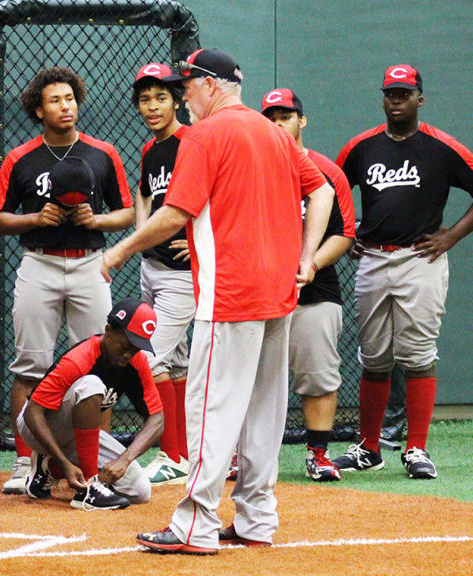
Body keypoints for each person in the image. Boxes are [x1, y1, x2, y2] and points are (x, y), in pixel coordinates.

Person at [101, 49, 334, 553]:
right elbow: (323, 192)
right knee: (264, 414)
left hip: (229, 294)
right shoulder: (273, 131)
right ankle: (256, 519)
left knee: (212, 409)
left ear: (212, 85)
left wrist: (120, 248)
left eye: (187, 84)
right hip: (278, 294)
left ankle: (194, 524)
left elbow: (174, 213)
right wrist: (307, 259)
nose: (183, 93)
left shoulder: (205, 134)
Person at [332, 65, 473, 479]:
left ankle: (416, 450)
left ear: (419, 100)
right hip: (372, 258)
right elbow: (331, 188)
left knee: (418, 357)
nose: (396, 100)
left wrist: (452, 237)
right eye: (390, 93)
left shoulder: (439, 146)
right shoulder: (363, 146)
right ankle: (369, 447)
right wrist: (344, 232)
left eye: (404, 94)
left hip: (419, 259)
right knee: (374, 357)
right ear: (382, 97)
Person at [0, 66, 133, 494]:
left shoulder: (102, 153)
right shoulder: (19, 158)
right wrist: (34, 218)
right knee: (30, 366)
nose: (64, 106)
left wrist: (99, 219)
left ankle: (94, 464)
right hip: (39, 264)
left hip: (90, 264)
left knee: (102, 367)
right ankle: (24, 463)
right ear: (39, 109)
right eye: (54, 100)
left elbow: (128, 211)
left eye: (69, 98)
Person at [261, 88, 356, 482]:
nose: (279, 123)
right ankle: (243, 456)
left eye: (286, 116)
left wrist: (311, 262)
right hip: (261, 293)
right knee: (253, 380)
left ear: (302, 120)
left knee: (317, 376)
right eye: (271, 117)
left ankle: (318, 454)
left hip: (314, 293)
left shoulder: (326, 171)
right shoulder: (255, 167)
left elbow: (345, 233)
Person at [20, 294, 162, 510]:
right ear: (109, 331)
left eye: (135, 348)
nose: (128, 353)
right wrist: (67, 462)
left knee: (139, 490)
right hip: (39, 427)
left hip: (78, 435)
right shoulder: (80, 358)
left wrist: (125, 459)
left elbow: (157, 419)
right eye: (125, 345)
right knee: (92, 384)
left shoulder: (136, 362)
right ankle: (87, 489)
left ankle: (48, 467)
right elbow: (33, 412)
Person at [130, 62, 194, 486]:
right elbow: (145, 194)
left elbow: (223, 194)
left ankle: (173, 455)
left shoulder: (193, 141)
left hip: (183, 274)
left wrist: (203, 241)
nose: (152, 107)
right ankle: (185, 454)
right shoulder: (151, 151)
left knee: (151, 359)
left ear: (176, 101)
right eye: (145, 99)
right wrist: (140, 233)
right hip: (152, 268)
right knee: (177, 364)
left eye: (161, 97)